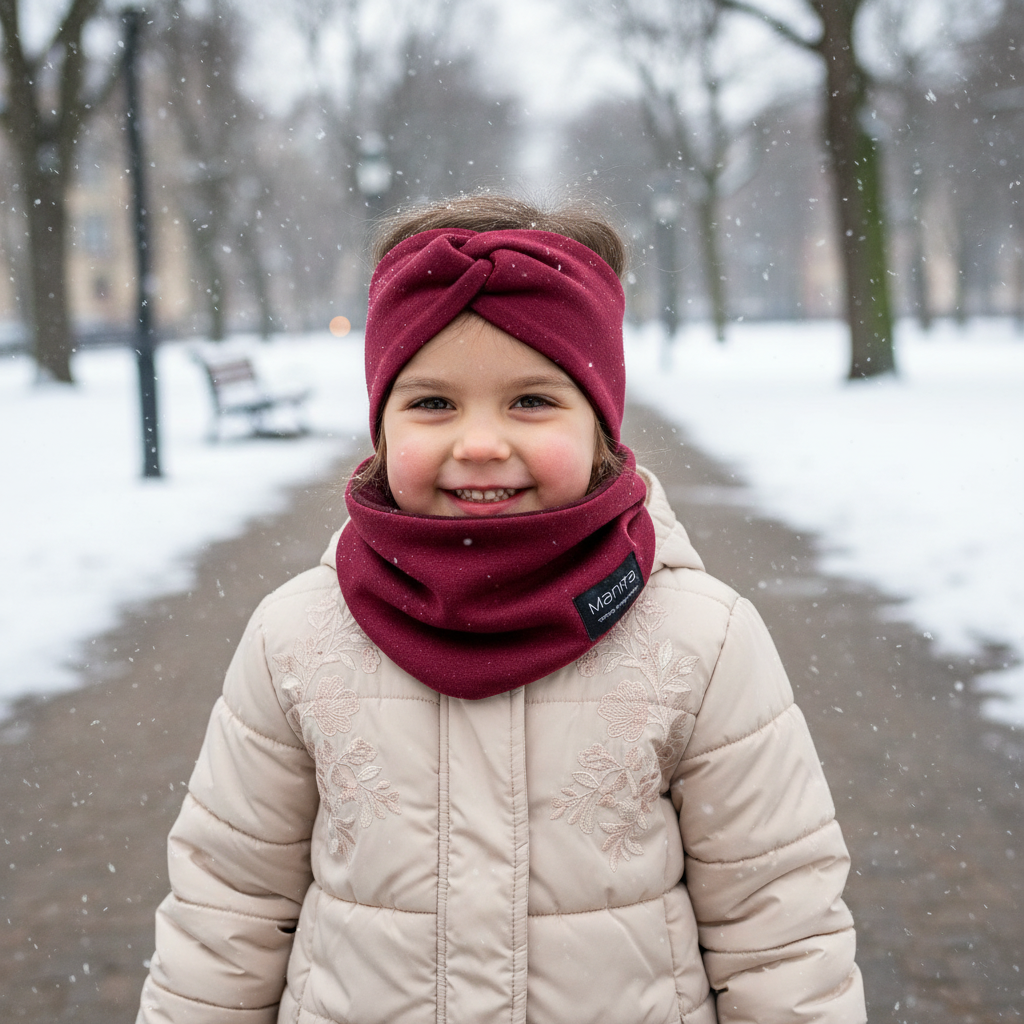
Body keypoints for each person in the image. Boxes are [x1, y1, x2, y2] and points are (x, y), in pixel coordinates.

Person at [137, 195, 866, 1024]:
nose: (479, 442)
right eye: (433, 403)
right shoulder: (296, 636)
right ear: (379, 426)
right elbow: (224, 913)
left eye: (531, 401)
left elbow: (780, 930)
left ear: (602, 425)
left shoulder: (701, 637)